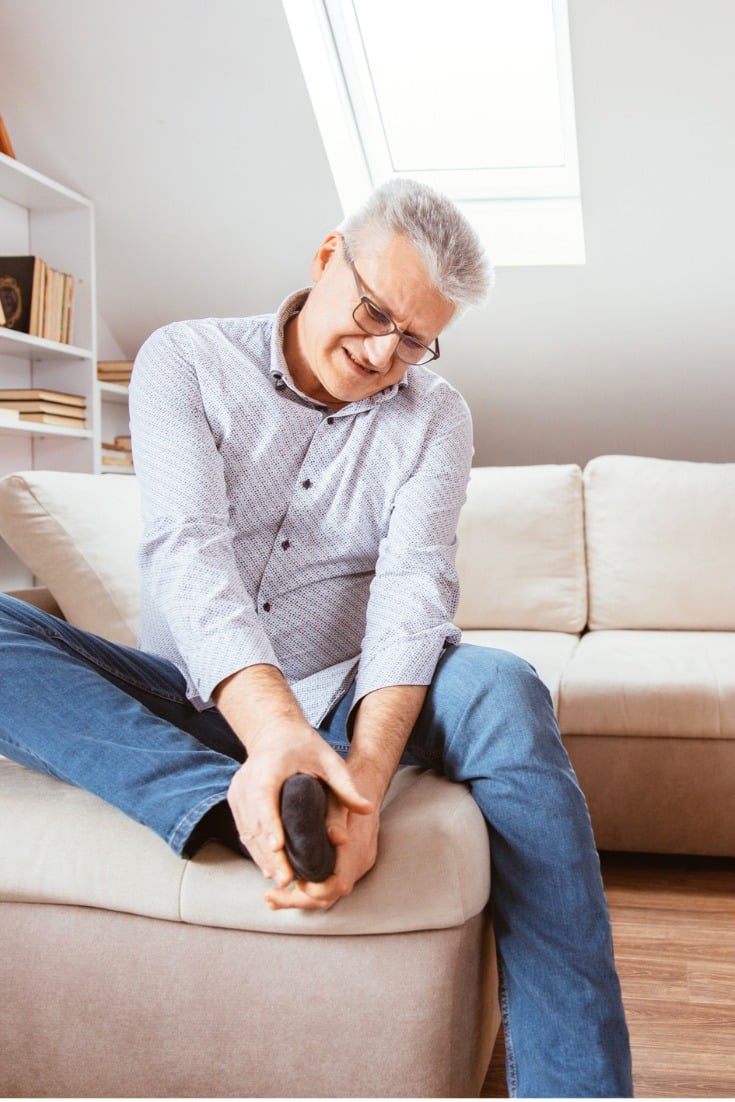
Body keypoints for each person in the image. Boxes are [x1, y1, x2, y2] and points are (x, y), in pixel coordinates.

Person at [0, 178, 632, 1096]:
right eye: (374, 312)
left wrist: (363, 783)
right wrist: (274, 736)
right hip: (187, 697)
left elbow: (414, 590)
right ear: (327, 257)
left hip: (345, 693)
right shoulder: (186, 359)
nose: (384, 353)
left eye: (414, 339)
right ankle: (235, 799)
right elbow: (188, 554)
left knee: (501, 683)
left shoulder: (435, 418)